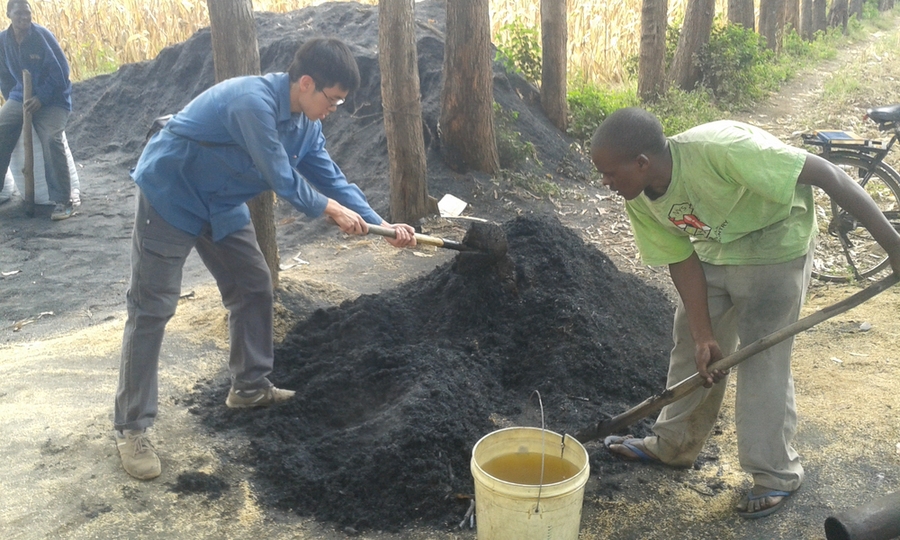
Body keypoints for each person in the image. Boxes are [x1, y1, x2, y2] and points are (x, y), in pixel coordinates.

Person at [114, 37, 417, 481]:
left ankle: (250, 387)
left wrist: (383, 226)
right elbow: (279, 174)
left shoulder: (308, 125)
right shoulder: (250, 101)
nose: (333, 110)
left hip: (221, 201)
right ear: (306, 83)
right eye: (331, 100)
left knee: (254, 283)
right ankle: (131, 428)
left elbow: (331, 178)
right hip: (173, 193)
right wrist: (331, 211)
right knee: (151, 308)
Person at [591, 108, 900, 519]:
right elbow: (680, 257)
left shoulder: (723, 150)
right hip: (714, 250)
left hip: (775, 244)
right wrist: (705, 336)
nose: (605, 183)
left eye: (610, 174)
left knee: (762, 356)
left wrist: (893, 247)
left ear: (642, 163)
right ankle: (673, 444)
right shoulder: (639, 197)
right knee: (690, 344)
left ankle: (775, 473)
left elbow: (831, 175)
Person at [0, 0, 73, 220]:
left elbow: (61, 73)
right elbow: (3, 76)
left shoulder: (41, 36)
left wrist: (41, 98)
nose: (25, 18)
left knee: (51, 138)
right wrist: (13, 100)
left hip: (53, 99)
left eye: (28, 13)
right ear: (9, 15)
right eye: (19, 13)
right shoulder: (3, 40)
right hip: (21, 95)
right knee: (2, 129)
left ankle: (63, 202)